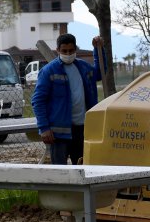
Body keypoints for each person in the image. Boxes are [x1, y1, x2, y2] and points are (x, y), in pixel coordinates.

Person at [32, 33, 104, 165]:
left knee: (82, 168)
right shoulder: (49, 71)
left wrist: (98, 50)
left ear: (75, 49)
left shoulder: (83, 67)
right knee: (60, 173)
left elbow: (100, 73)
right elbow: (38, 101)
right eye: (64, 51)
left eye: (71, 51)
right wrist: (44, 128)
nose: (68, 53)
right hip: (58, 134)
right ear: (58, 50)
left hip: (82, 130)